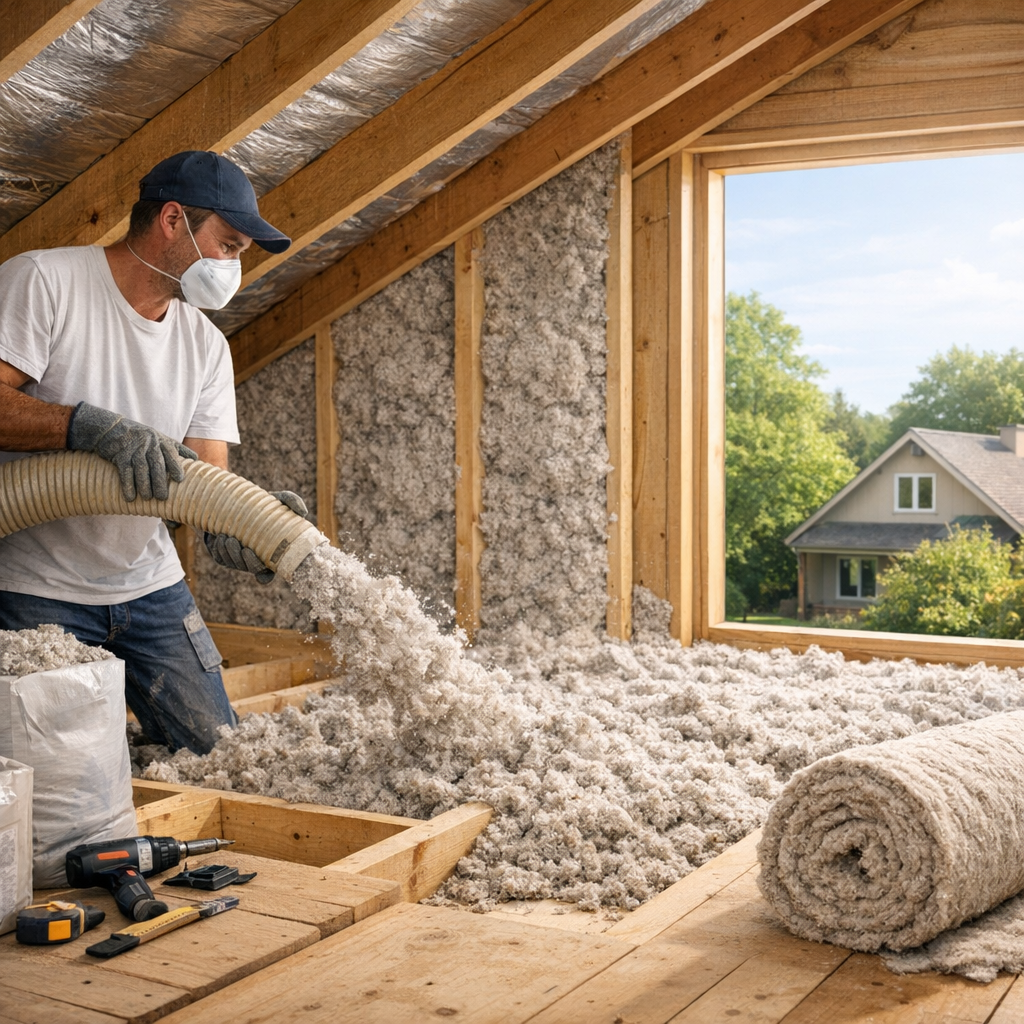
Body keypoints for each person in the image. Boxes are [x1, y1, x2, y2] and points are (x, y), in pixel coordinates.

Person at [0, 150, 305, 754]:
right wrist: (86, 428)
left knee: (218, 755)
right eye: (229, 245)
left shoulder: (205, 346)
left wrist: (241, 528)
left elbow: (205, 483)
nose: (231, 266)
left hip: (149, 587)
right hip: (37, 587)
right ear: (172, 220)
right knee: (66, 779)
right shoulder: (45, 282)